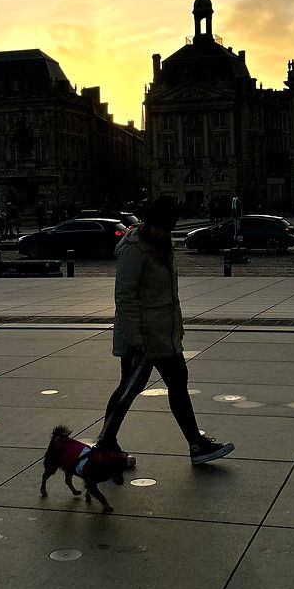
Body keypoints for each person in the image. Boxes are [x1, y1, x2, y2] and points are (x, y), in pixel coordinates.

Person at [96, 194, 234, 466]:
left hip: (164, 335)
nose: (165, 232)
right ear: (150, 223)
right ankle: (105, 442)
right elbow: (125, 297)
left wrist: (177, 327)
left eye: (169, 227)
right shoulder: (134, 250)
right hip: (143, 339)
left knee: (178, 383)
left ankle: (196, 444)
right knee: (129, 388)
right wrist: (135, 340)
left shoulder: (162, 244)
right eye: (161, 226)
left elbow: (167, 294)